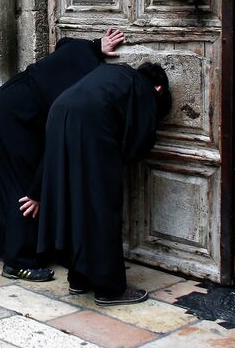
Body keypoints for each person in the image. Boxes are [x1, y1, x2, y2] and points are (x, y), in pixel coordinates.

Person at [0, 29, 125, 282]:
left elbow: (64, 41)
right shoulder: (82, 85)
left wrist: (97, 45)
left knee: (13, 181)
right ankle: (17, 261)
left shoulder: (80, 51)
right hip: (18, 116)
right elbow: (54, 146)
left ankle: (21, 246)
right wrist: (37, 191)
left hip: (7, 101)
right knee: (22, 188)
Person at [37, 62, 171, 305]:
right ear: (159, 89)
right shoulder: (145, 89)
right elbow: (139, 141)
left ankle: (78, 278)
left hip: (59, 114)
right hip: (91, 126)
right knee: (102, 207)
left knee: (75, 201)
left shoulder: (114, 73)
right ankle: (109, 289)